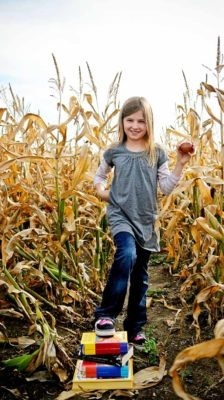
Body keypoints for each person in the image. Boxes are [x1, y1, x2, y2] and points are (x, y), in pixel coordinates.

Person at [93, 96, 194, 346]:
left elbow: (166, 187)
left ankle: (134, 328)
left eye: (141, 120)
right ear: (122, 121)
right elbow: (99, 176)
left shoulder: (156, 153)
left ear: (149, 123)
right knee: (126, 254)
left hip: (145, 219)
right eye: (130, 120)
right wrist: (102, 191)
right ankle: (106, 315)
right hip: (120, 214)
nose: (135, 125)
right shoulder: (114, 151)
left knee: (141, 275)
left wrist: (180, 164)